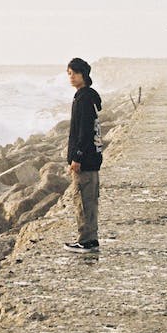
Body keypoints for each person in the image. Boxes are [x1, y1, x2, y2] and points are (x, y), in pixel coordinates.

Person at [64, 57, 103, 252]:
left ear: (83, 75)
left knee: (82, 200)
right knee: (90, 199)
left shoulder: (84, 98)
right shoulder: (90, 96)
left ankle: (86, 240)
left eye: (73, 73)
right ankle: (91, 238)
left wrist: (77, 157)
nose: (70, 77)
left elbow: (85, 131)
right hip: (93, 157)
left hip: (85, 159)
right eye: (69, 74)